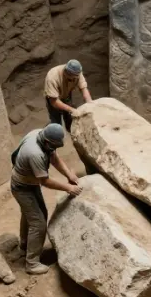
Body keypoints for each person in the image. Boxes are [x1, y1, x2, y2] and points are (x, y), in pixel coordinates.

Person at [10, 123, 81, 275]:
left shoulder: (39, 133)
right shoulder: (35, 153)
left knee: (32, 215)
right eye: (54, 145)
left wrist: (69, 174)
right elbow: (45, 181)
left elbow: (54, 157)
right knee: (38, 223)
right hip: (22, 187)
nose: (54, 149)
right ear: (48, 142)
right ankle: (32, 263)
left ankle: (24, 246)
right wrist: (68, 187)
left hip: (28, 182)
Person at [44, 59, 93, 130]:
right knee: (56, 122)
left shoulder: (77, 73)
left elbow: (83, 88)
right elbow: (54, 102)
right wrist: (72, 110)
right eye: (72, 78)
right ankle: (55, 134)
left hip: (66, 95)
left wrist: (90, 102)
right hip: (53, 98)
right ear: (67, 73)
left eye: (75, 78)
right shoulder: (52, 77)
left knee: (70, 118)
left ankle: (70, 130)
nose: (74, 80)